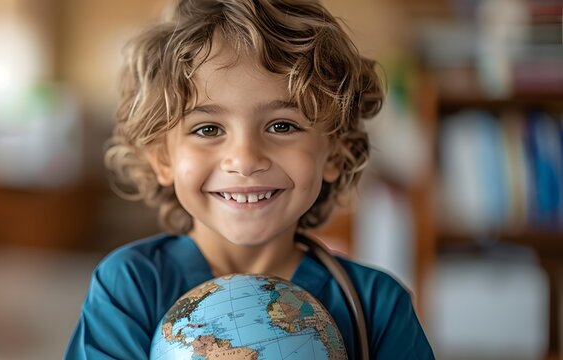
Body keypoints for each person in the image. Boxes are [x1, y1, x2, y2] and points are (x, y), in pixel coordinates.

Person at [65, 0, 434, 358]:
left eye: (282, 125)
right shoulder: (129, 287)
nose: (244, 159)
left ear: (334, 153)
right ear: (163, 157)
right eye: (208, 128)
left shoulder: (375, 306)